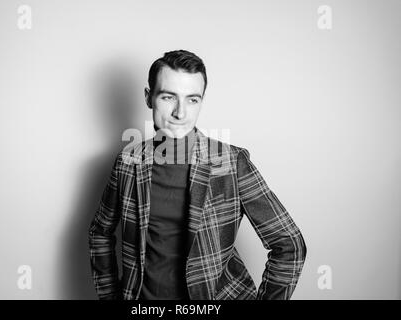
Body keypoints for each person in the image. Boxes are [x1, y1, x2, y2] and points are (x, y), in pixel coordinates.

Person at [88, 50, 307, 300]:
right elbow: (100, 232)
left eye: (192, 100)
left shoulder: (231, 163)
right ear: (149, 98)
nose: (180, 113)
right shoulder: (127, 162)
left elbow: (289, 244)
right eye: (168, 97)